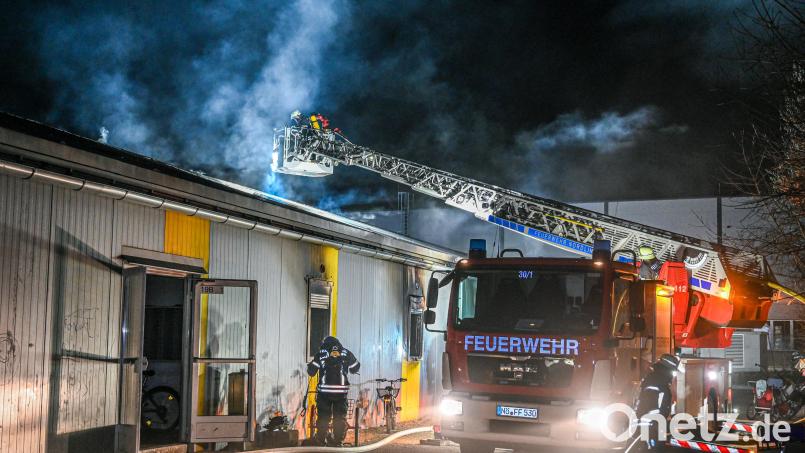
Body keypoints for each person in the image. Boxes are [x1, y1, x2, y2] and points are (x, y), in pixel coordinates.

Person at [307, 336, 360, 446]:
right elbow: (355, 367)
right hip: (341, 393)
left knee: (323, 417)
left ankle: (321, 441)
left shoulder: (321, 354)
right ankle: (338, 442)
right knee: (339, 418)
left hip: (324, 392)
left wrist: (313, 365)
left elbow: (311, 371)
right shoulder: (345, 352)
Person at [626, 353, 680, 452]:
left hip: (649, 425)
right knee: (651, 449)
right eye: (672, 371)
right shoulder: (658, 383)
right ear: (667, 370)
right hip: (650, 426)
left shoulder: (654, 380)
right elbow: (653, 406)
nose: (672, 375)